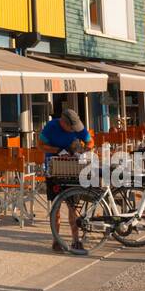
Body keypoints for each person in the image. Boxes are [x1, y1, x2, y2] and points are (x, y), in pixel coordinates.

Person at [39, 107, 92, 256]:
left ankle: (76, 240)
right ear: (63, 122)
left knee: (73, 206)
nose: (73, 130)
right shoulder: (51, 127)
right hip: (54, 169)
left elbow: (90, 141)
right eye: (71, 128)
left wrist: (84, 151)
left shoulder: (78, 127)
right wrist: (57, 150)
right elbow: (40, 145)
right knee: (56, 207)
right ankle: (56, 239)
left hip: (72, 168)